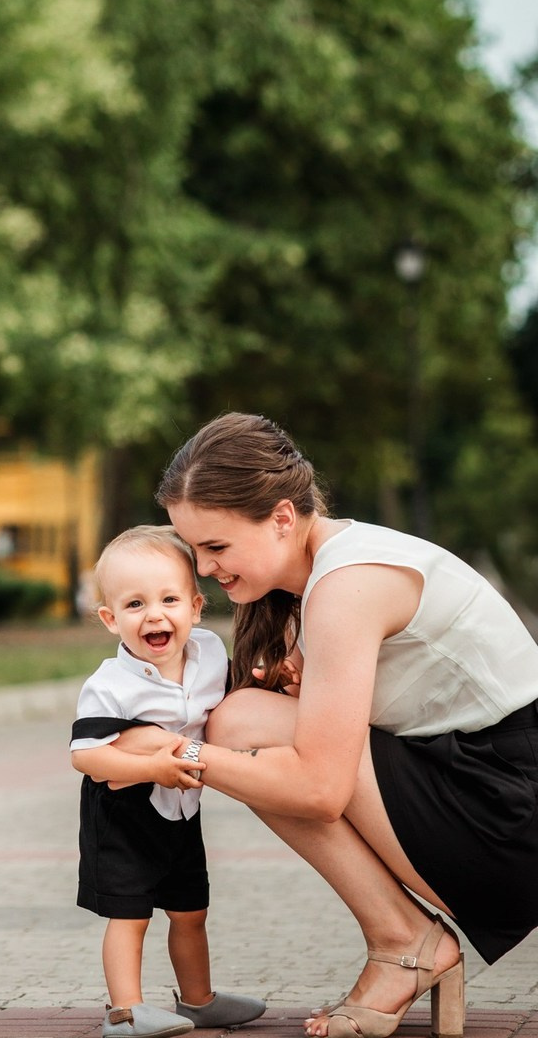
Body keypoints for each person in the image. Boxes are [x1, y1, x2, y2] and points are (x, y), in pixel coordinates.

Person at [135, 411, 538, 1038]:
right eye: (194, 549)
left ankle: (404, 942)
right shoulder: (326, 570)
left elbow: (320, 791)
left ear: (282, 518)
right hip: (483, 786)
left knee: (238, 729)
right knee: (242, 720)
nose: (204, 568)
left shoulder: (348, 583)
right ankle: (405, 942)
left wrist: (174, 753)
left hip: (510, 817)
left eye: (216, 546)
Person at [71, 526, 266, 1038]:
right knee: (130, 916)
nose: (155, 615)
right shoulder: (109, 685)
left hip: (181, 811)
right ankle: (126, 1010)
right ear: (111, 619)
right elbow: (87, 757)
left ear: (196, 608)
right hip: (123, 813)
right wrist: (150, 768)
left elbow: (234, 701)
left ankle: (198, 1001)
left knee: (190, 910)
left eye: (170, 599)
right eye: (135, 604)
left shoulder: (209, 655)